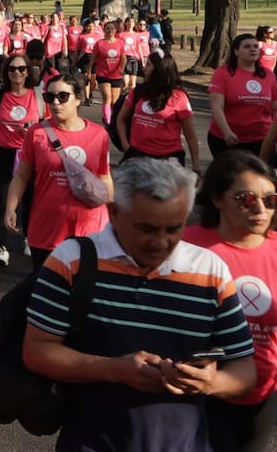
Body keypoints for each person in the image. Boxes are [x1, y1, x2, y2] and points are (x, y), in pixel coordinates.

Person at [22, 157, 257, 451]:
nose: (160, 242)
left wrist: (209, 382)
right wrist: (114, 370)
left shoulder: (211, 271)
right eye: (146, 229)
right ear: (114, 212)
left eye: (174, 228)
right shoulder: (71, 261)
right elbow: (37, 351)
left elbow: (245, 369)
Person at [180, 151, 277, 452]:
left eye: (271, 200)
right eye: (246, 199)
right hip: (193, 394)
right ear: (217, 199)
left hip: (260, 397)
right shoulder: (183, 246)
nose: (260, 209)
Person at [5, 73, 113, 268]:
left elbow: (104, 177)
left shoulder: (99, 134)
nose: (55, 103)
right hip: (47, 229)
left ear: (78, 98)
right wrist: (10, 208)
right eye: (50, 97)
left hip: (90, 229)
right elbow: (21, 176)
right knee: (46, 291)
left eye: (63, 97)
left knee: (83, 292)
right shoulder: (36, 133)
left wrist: (114, 216)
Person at [0, 54, 42, 267]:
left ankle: (28, 236)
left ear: (28, 71)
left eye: (21, 69)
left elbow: (46, 125)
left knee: (30, 199)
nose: (16, 73)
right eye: (12, 69)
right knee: (3, 200)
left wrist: (32, 132)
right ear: (6, 72)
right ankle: (1, 248)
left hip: (29, 155)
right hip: (3, 153)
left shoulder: (37, 96)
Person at [117, 51, 200, 169]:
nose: (144, 69)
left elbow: (190, 134)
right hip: (137, 158)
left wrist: (196, 166)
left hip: (168, 161)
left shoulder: (179, 97)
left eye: (149, 65)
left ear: (160, 70)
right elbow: (121, 119)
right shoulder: (137, 92)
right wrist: (126, 147)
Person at [208, 33, 275, 157]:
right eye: (247, 47)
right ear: (236, 51)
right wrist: (227, 132)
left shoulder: (268, 75)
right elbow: (217, 107)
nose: (252, 49)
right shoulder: (222, 73)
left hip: (261, 139)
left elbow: (275, 107)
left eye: (255, 46)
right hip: (228, 139)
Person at [90, 19, 127, 125]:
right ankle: (108, 120)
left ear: (115, 30)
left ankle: (112, 116)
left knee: (114, 100)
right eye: (107, 28)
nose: (110, 30)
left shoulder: (120, 43)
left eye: (112, 28)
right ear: (104, 30)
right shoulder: (99, 43)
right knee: (107, 97)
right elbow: (93, 58)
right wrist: (89, 71)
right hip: (103, 74)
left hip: (116, 75)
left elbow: (123, 58)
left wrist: (122, 69)